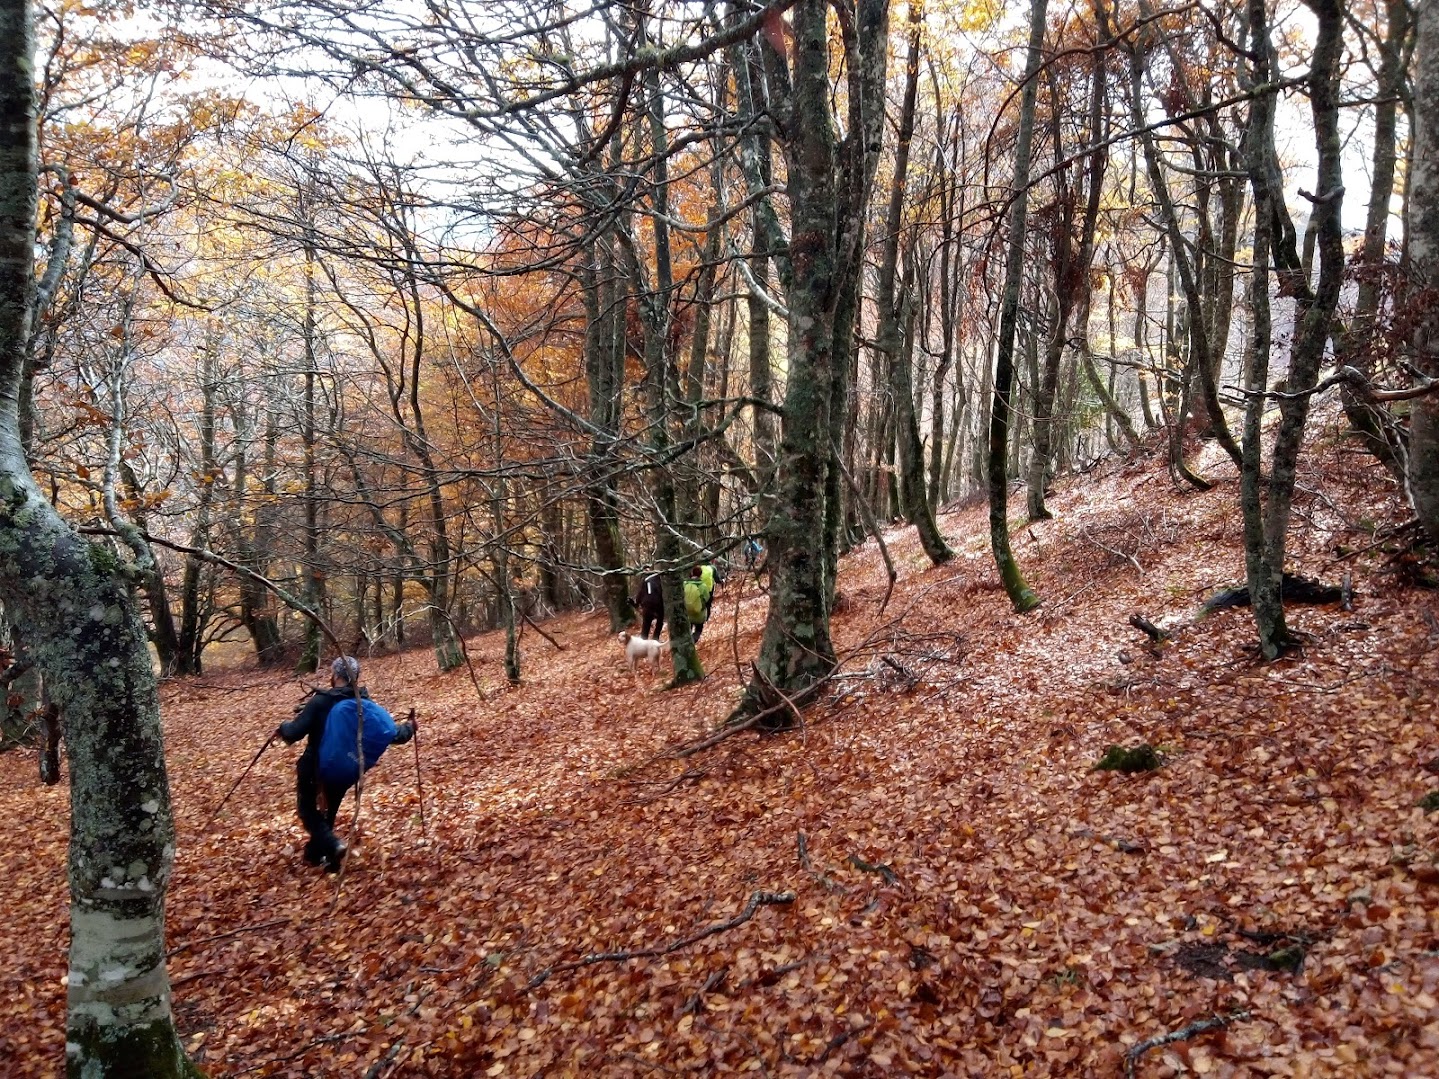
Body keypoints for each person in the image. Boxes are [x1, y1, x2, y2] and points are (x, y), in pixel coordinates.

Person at [278, 656, 414, 872]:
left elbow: (294, 732)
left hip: (314, 767)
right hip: (345, 769)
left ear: (336, 675)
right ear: (356, 677)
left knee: (307, 811)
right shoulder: (363, 705)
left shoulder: (321, 702)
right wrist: (410, 727)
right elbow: (393, 734)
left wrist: (283, 727)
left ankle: (333, 846)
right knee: (328, 813)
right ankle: (320, 856)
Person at [683, 565, 715, 643]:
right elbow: (707, 599)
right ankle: (693, 641)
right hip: (699, 615)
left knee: (688, 629)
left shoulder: (685, 584)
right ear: (701, 575)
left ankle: (687, 642)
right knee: (698, 630)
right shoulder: (703, 586)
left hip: (687, 614)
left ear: (692, 573)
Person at [632, 573, 664, 640]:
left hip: (647, 605)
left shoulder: (645, 581)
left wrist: (637, 603)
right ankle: (655, 639)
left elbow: (640, 594)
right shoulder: (660, 579)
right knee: (660, 622)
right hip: (658, 604)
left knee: (646, 624)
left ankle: (644, 640)